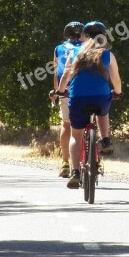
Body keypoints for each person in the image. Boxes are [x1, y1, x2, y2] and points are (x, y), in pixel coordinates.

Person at [55, 21, 122, 189]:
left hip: (78, 98)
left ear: (84, 36)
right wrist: (118, 93)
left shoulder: (75, 52)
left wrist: (61, 91)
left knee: (75, 135)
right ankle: (106, 140)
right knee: (104, 108)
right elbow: (116, 79)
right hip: (101, 97)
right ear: (104, 37)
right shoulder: (107, 54)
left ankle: (75, 172)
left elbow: (65, 77)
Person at [49, 22, 83, 178]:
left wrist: (56, 91)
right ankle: (89, 158)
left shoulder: (59, 49)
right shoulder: (89, 47)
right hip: (87, 88)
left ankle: (65, 162)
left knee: (66, 124)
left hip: (67, 89)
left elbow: (57, 72)